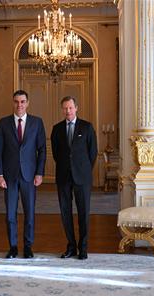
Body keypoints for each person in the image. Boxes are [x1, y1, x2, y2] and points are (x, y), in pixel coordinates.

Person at [0, 90, 46, 259]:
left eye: (23, 101)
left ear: (27, 103)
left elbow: (42, 150)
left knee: (29, 213)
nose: (19, 105)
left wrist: (39, 173)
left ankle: (28, 247)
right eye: (16, 101)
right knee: (10, 214)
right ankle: (13, 247)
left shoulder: (37, 123)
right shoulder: (3, 123)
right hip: (9, 176)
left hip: (29, 176)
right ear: (13, 102)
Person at [51, 96, 97, 260]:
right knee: (65, 213)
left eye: (70, 108)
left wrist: (83, 169)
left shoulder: (87, 127)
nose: (68, 111)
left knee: (83, 212)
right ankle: (71, 246)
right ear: (62, 109)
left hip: (82, 177)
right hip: (63, 176)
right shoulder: (56, 129)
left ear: (76, 108)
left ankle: (83, 248)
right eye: (65, 108)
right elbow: (56, 154)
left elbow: (93, 153)